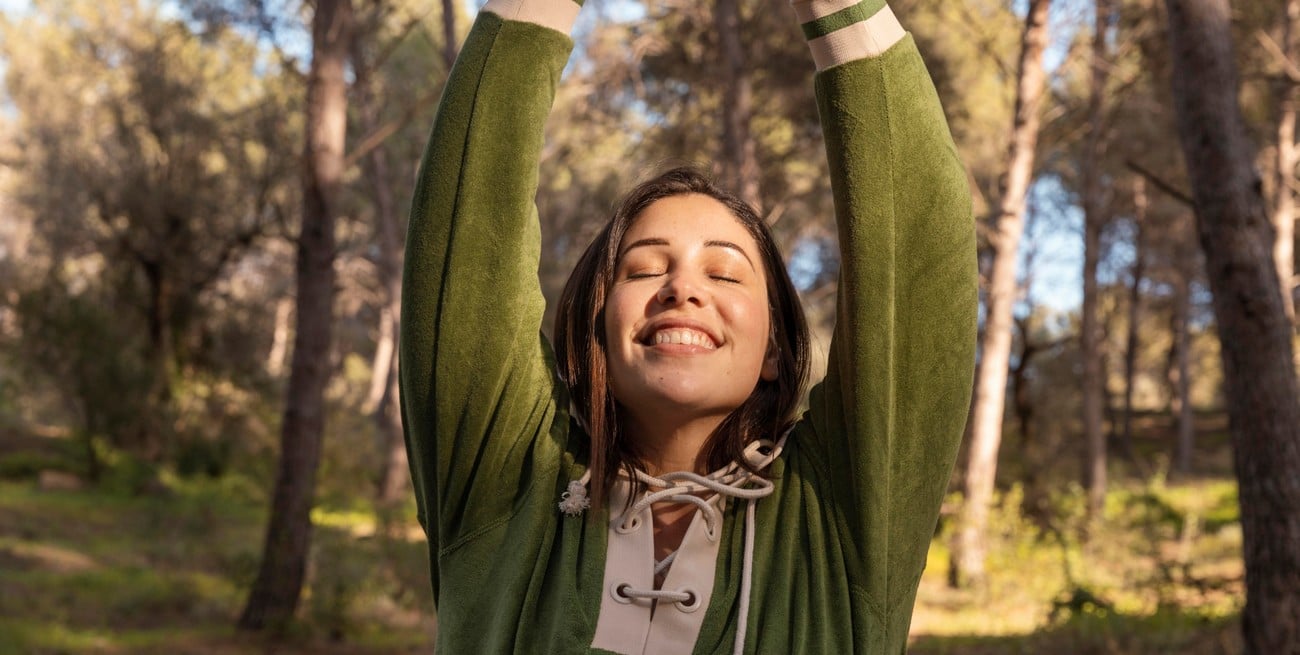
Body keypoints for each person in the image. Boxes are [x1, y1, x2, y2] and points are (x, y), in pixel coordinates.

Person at [399, 0, 977, 651]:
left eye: (725, 274)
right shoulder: (506, 484)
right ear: (598, 326)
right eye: (644, 268)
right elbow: (468, 230)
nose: (683, 288)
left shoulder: (843, 518)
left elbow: (919, 254)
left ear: (775, 352)